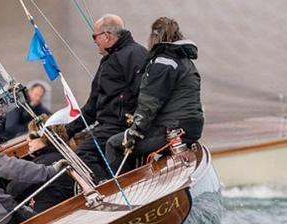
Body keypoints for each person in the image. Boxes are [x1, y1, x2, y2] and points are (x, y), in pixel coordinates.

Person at [105, 17, 204, 173]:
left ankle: (123, 192)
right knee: (138, 139)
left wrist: (134, 130)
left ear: (155, 36)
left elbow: (150, 102)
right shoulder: (184, 60)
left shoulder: (163, 62)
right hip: (190, 127)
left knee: (114, 144)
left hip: (173, 129)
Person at [65, 14, 147, 181]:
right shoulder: (108, 60)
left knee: (81, 156)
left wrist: (137, 127)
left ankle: (109, 189)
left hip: (120, 127)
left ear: (107, 36)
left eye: (94, 36)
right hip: (105, 127)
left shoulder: (135, 55)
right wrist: (66, 130)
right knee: (82, 151)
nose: (94, 41)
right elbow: (91, 108)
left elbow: (144, 96)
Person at [6, 117, 74, 213]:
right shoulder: (59, 155)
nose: (28, 139)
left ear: (46, 137)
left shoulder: (46, 161)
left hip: (49, 215)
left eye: (32, 136)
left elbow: (13, 189)